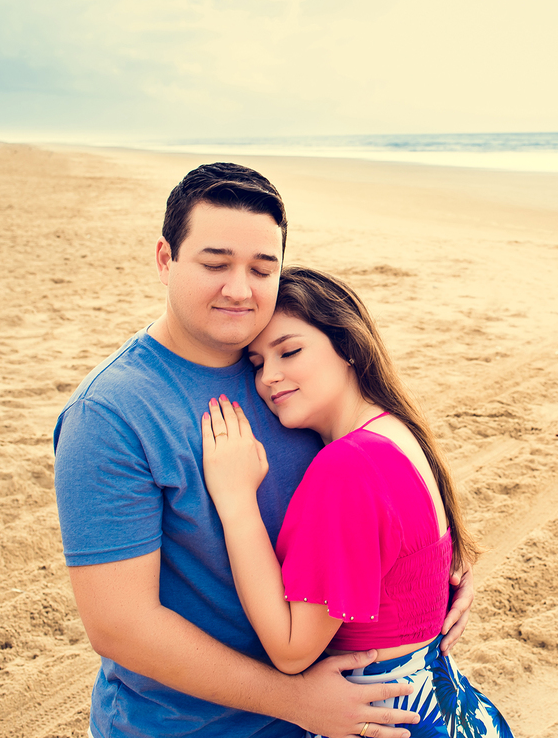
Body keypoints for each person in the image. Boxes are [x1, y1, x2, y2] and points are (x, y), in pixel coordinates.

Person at [53, 163, 474, 738]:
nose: (239, 289)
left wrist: (431, 573)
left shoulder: (296, 384)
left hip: (329, 716)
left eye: (261, 268)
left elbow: (377, 491)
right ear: (164, 259)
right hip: (194, 727)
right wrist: (294, 700)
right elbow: (121, 627)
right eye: (214, 263)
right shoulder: (109, 415)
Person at [201, 266, 513, 738]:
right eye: (256, 362)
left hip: (384, 722)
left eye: (290, 351)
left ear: (347, 346)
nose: (269, 376)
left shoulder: (348, 466)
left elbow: (291, 649)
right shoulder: (398, 432)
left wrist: (236, 499)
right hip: (450, 711)